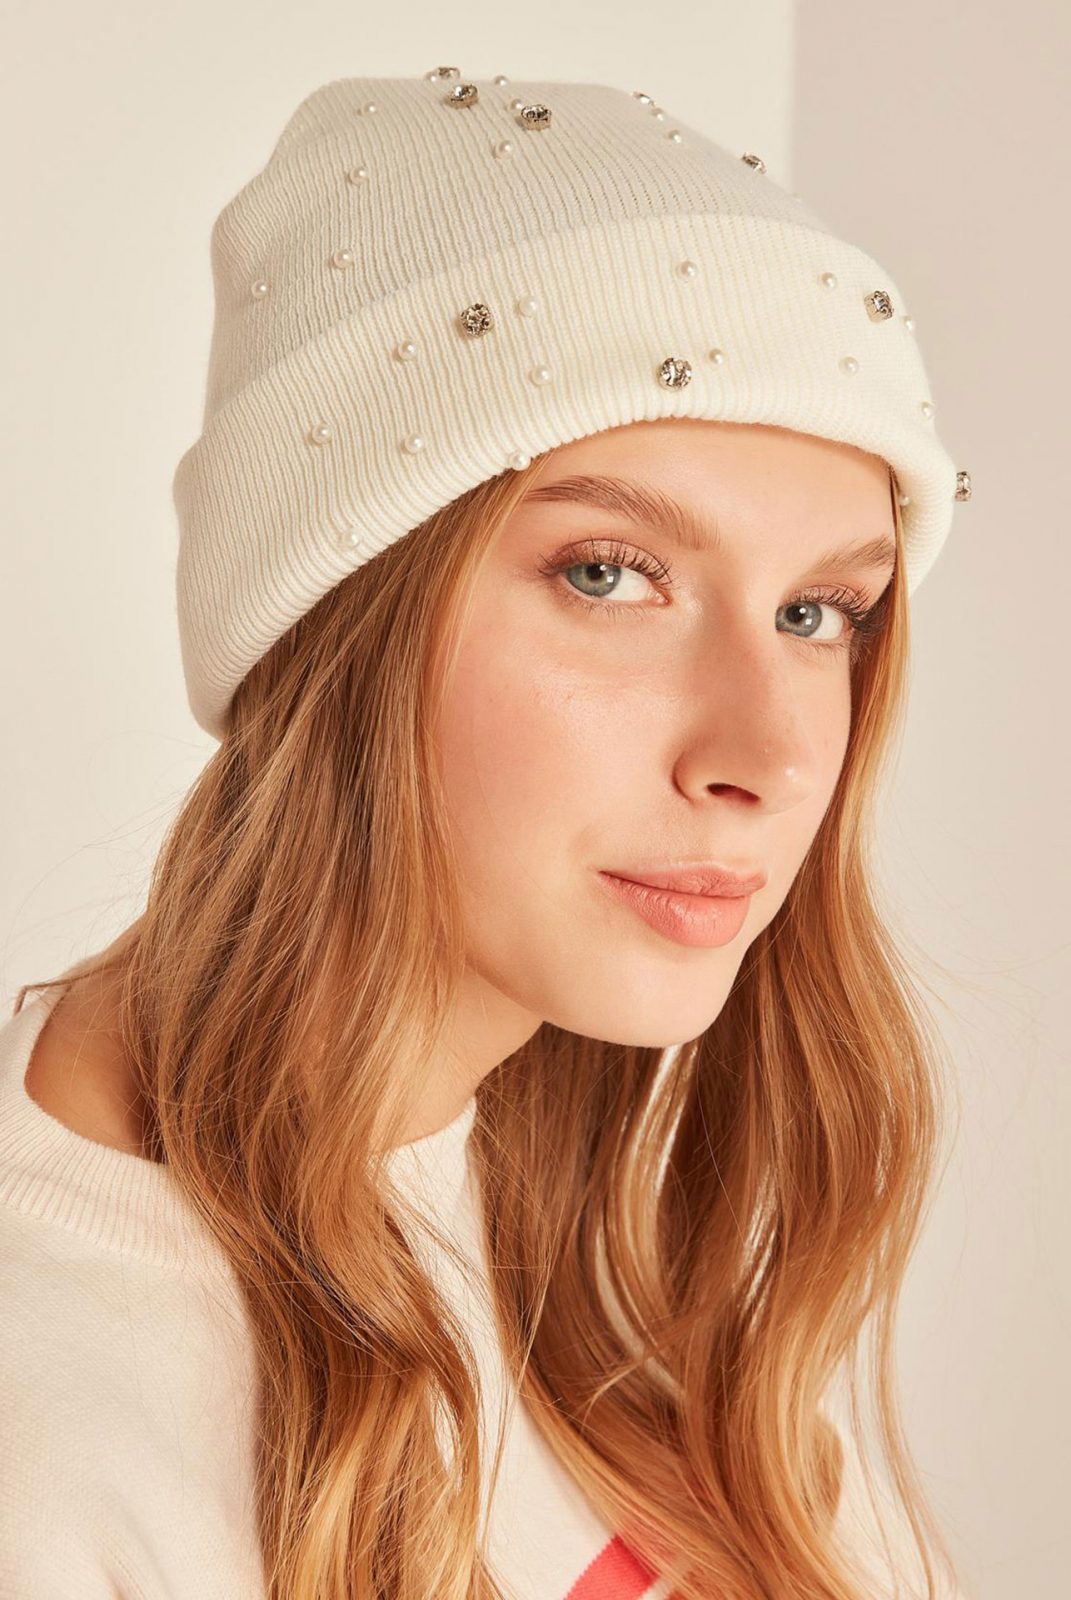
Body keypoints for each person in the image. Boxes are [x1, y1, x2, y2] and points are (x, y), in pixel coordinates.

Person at [0, 70, 972, 1600]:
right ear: (333, 620)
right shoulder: (46, 1425)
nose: (770, 755)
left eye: (816, 612)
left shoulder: (654, 1266)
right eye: (609, 573)